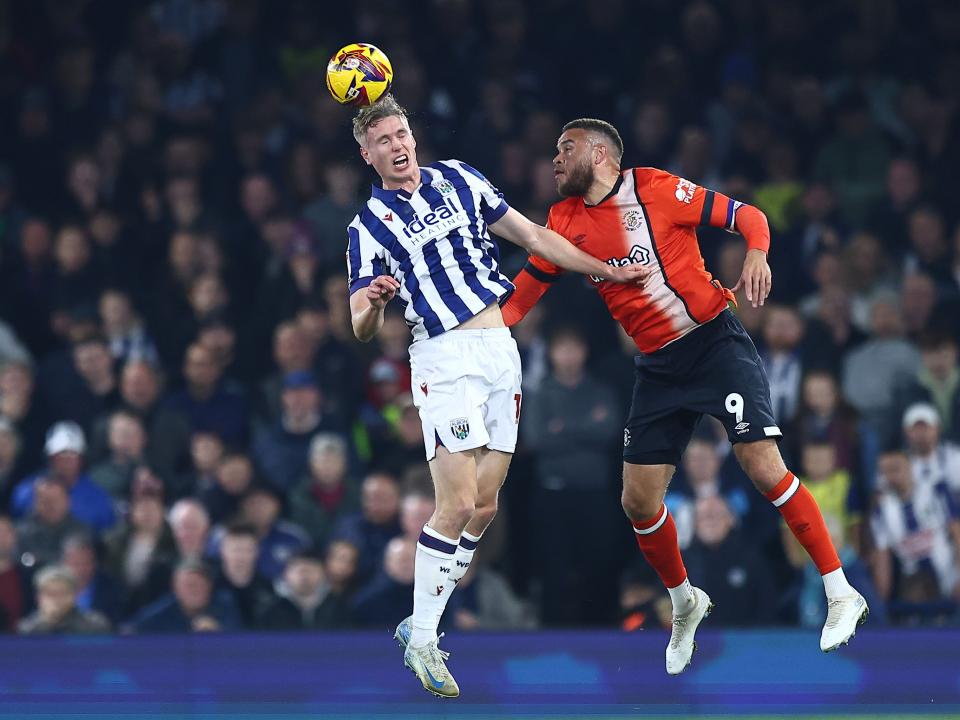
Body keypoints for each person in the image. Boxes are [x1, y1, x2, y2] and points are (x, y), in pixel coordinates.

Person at [501, 118, 867, 673]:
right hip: (657, 367)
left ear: (600, 154)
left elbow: (748, 215)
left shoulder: (652, 188)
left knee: (761, 464)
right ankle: (684, 601)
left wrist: (756, 253)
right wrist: (467, 334)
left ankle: (840, 590)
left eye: (564, 148)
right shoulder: (563, 221)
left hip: (715, 343)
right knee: (637, 501)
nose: (554, 159)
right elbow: (518, 301)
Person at [346, 96, 642, 697]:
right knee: (453, 505)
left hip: (500, 350)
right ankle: (424, 636)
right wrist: (374, 302)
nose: (397, 146)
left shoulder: (459, 179)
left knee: (485, 507)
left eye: (401, 133)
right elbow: (358, 323)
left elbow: (534, 235)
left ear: (412, 136)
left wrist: (603, 269)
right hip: (443, 356)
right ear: (366, 154)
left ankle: (421, 618)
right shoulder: (366, 228)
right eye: (383, 142)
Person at [257, 551, 352, 630]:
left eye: (311, 570)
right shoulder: (270, 611)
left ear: (323, 574)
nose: (304, 576)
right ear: (286, 574)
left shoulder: (340, 609)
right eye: (299, 570)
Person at [17, 565, 111, 635]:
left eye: (63, 592)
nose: (57, 599)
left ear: (75, 595)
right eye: (51, 593)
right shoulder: (27, 630)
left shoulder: (95, 627)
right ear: (39, 597)